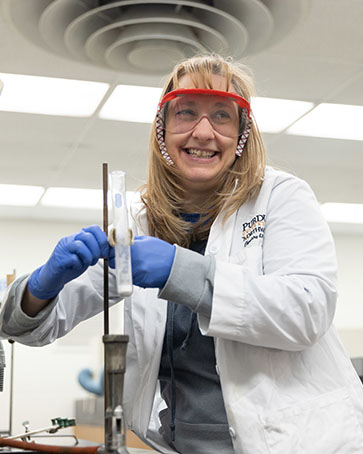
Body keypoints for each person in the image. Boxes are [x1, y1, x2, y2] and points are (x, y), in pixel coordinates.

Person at [1, 53, 363, 454]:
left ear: (243, 133)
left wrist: (183, 271)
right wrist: (42, 286)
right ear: (162, 130)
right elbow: (25, 329)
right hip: (180, 446)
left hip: (298, 443)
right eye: (186, 112)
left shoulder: (282, 197)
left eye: (222, 116)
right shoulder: (137, 222)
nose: (203, 132)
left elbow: (306, 311)